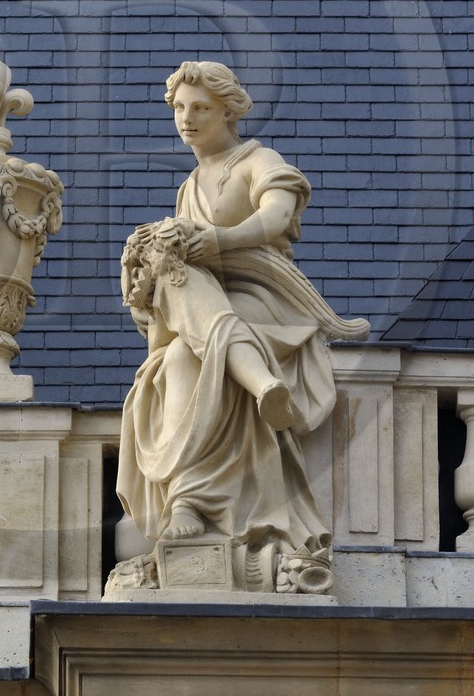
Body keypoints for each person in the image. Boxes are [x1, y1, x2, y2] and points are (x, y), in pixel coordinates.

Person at [117, 61, 369, 576]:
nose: (187, 119)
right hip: (208, 306)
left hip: (264, 298)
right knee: (180, 355)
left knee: (192, 323)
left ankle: (195, 493)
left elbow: (276, 216)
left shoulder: (257, 160)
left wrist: (219, 240)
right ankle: (195, 489)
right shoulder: (189, 186)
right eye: (180, 108)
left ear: (228, 111)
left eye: (201, 108)